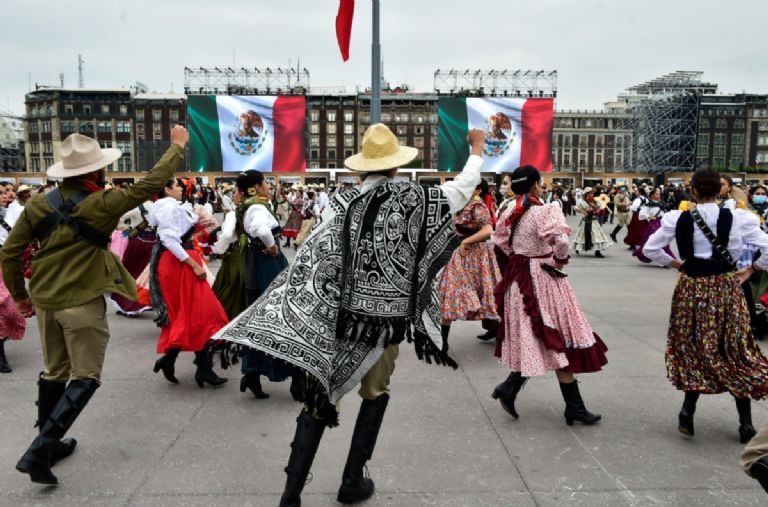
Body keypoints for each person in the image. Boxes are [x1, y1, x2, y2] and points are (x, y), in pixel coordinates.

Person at [213, 124, 485, 506]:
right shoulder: (416, 200)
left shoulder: (339, 204)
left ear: (361, 169)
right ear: (395, 166)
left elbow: (312, 260)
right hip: (384, 326)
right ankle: (352, 479)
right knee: (376, 393)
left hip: (336, 321)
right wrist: (477, 149)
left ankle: (291, 496)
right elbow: (462, 188)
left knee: (319, 401)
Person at [2, 128, 188, 485]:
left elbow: (10, 252)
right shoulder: (103, 202)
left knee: (54, 372)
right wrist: (176, 146)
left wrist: (20, 296)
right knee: (86, 376)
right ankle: (39, 451)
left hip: (46, 299)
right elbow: (150, 184)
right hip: (81, 302)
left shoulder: (38, 203)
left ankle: (50, 445)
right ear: (96, 170)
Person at [642, 168, 768, 443]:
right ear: (721, 190)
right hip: (726, 287)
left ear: (694, 191)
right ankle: (745, 424)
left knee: (694, 346)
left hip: (691, 288)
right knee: (733, 347)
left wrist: (676, 264)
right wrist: (752, 269)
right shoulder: (737, 217)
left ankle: (687, 412)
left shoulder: (677, 218)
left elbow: (649, 249)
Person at [490, 165, 607, 425]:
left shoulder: (507, 209)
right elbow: (561, 242)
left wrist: (520, 256)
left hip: (518, 281)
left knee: (539, 336)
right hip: (543, 279)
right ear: (534, 184)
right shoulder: (545, 209)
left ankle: (511, 388)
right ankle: (572, 407)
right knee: (557, 335)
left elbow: (500, 242)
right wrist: (559, 260)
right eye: (540, 182)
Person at [149, 178, 228, 388]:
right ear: (166, 189)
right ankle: (202, 368)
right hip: (180, 264)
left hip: (182, 261)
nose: (181, 188)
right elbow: (169, 240)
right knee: (203, 313)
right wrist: (193, 264)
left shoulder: (172, 206)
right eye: (177, 185)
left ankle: (175, 361)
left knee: (194, 315)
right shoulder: (167, 207)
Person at [235, 170, 303, 401]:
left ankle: (253, 372)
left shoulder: (249, 205)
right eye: (265, 182)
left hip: (258, 263)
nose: (268, 185)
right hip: (268, 265)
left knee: (264, 316)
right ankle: (296, 377)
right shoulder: (257, 207)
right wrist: (272, 246)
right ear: (256, 186)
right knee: (282, 316)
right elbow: (262, 230)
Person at [439, 181, 501, 342]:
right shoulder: (461, 204)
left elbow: (488, 230)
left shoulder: (477, 206)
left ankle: (497, 330)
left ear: (478, 190)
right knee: (450, 292)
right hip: (459, 254)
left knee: (484, 292)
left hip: (476, 254)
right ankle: (442, 342)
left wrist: (466, 242)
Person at [110, 201, 156, 316]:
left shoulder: (137, 207)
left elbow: (118, 220)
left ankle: (128, 302)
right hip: (152, 243)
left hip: (138, 241)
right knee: (143, 275)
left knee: (130, 273)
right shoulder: (156, 205)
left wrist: (129, 230)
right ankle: (140, 302)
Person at [0, 185, 27, 372]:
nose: (5, 195)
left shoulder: (14, 211)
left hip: (7, 267)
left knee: (10, 310)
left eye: (7, 192)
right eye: (1, 193)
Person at [633, 188, 675, 265]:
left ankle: (666, 259)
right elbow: (641, 213)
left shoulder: (662, 203)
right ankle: (665, 260)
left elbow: (666, 212)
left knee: (664, 240)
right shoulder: (649, 204)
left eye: (659, 194)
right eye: (656, 194)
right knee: (657, 240)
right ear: (652, 195)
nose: (658, 195)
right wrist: (649, 216)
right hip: (654, 224)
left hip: (663, 223)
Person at [572, 187, 612, 258]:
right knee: (582, 236)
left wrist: (597, 209)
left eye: (592, 193)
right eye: (591, 193)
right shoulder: (584, 202)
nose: (592, 194)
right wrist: (584, 212)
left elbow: (598, 209)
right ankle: (577, 248)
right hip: (586, 221)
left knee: (597, 235)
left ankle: (598, 251)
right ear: (587, 194)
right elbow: (576, 208)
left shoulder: (595, 201)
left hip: (594, 220)